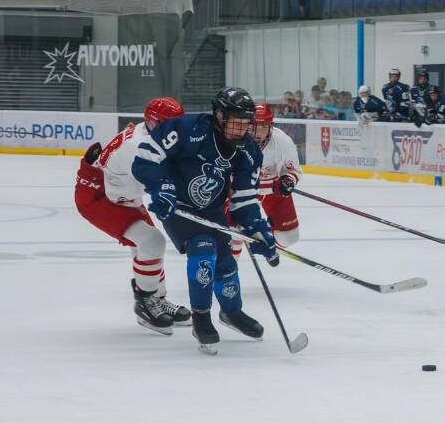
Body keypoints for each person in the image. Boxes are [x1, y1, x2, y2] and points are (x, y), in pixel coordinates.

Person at [131, 87, 277, 354]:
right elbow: (145, 157)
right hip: (179, 206)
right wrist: (161, 186)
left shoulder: (248, 151)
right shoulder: (188, 129)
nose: (242, 129)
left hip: (211, 210)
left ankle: (232, 312)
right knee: (203, 250)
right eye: (236, 121)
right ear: (219, 115)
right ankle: (202, 319)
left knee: (225, 262)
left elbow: (244, 200)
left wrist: (257, 229)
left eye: (247, 123)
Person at [74, 97, 192, 334]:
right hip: (100, 197)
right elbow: (159, 180)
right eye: (170, 125)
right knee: (152, 242)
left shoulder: (151, 134)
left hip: (119, 193)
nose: (175, 131)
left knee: (146, 247)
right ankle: (145, 301)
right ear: (151, 122)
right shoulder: (138, 146)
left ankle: (157, 298)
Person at [245, 104, 302, 249]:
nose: (258, 132)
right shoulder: (237, 140)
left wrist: (288, 181)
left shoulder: (283, 141)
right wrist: (271, 186)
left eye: (263, 127)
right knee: (232, 232)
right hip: (243, 191)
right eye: (254, 126)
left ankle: (269, 246)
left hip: (273, 189)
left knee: (289, 237)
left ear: (271, 126)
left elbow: (294, 171)